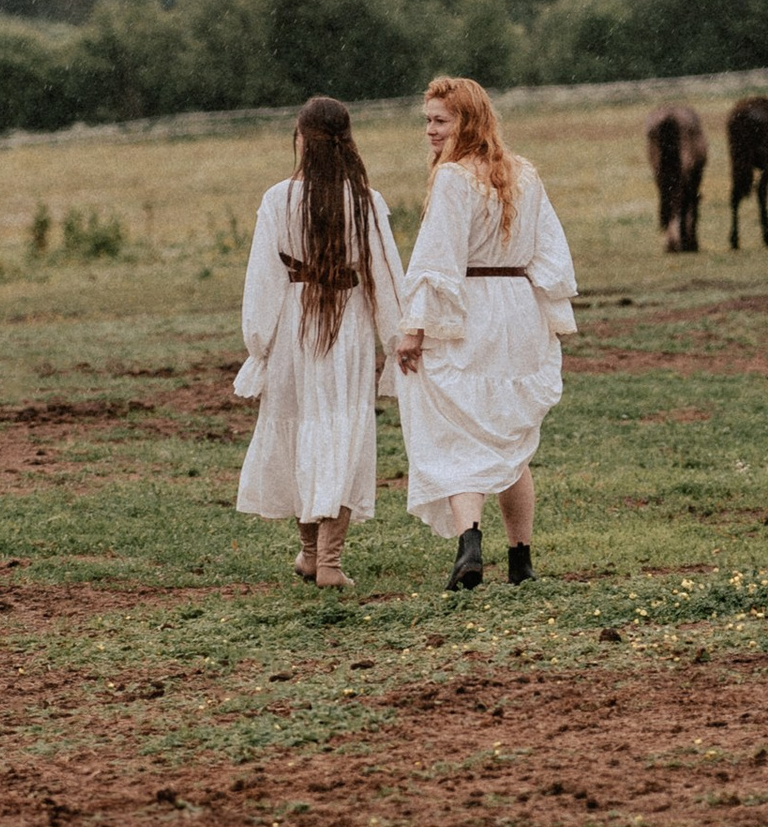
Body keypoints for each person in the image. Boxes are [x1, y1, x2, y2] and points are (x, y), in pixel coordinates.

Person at [394, 73, 577, 589]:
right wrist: (549, 314)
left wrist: (415, 328)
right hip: (518, 309)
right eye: (427, 121)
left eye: (439, 121)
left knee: (459, 433)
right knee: (508, 436)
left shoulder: (454, 178)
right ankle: (521, 560)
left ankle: (469, 545)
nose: (430, 131)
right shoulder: (524, 174)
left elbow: (437, 260)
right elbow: (550, 255)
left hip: (471, 309)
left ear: (466, 121)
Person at [234, 96, 407, 591]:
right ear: (348, 141)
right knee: (340, 432)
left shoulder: (277, 199)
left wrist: (259, 344)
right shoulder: (367, 202)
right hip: (346, 326)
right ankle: (327, 559)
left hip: (294, 324)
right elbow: (386, 277)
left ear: (301, 140)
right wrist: (395, 338)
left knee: (301, 429)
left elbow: (263, 280)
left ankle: (312, 553)